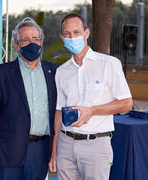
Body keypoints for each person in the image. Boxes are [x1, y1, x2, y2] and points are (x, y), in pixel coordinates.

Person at [48, 14, 133, 180]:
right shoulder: (61, 71)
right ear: (62, 38)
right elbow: (59, 111)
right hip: (65, 144)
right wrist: (54, 149)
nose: (72, 37)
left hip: (96, 145)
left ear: (86, 33)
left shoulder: (109, 64)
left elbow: (127, 103)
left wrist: (92, 111)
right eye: (67, 34)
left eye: (76, 32)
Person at [0, 17, 57, 180]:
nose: (32, 42)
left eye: (36, 38)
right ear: (16, 44)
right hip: (8, 150)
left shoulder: (53, 72)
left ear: (42, 42)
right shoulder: (1, 73)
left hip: (41, 150)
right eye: (25, 39)